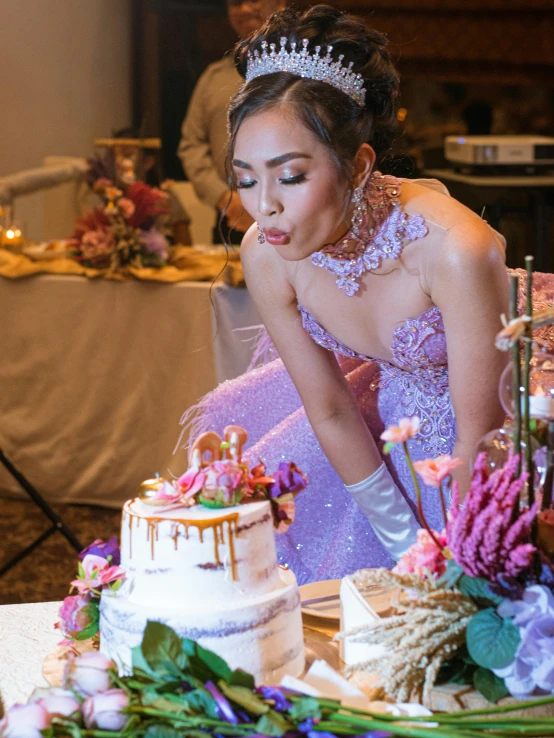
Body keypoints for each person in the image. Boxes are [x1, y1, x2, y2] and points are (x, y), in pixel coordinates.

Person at [179, 5, 554, 585]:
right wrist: (406, 544)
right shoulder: (267, 251)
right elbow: (328, 407)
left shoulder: (453, 247)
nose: (265, 206)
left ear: (357, 165)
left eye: (292, 176)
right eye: (247, 178)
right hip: (391, 427)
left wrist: (458, 564)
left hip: (515, 424)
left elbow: (482, 429)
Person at [178, 0, 286, 245]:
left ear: (280, 3)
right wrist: (225, 199)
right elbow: (191, 145)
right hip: (231, 217)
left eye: (253, 0)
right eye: (236, 3)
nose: (245, 9)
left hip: (295, 214)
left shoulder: (305, 71)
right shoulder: (213, 78)